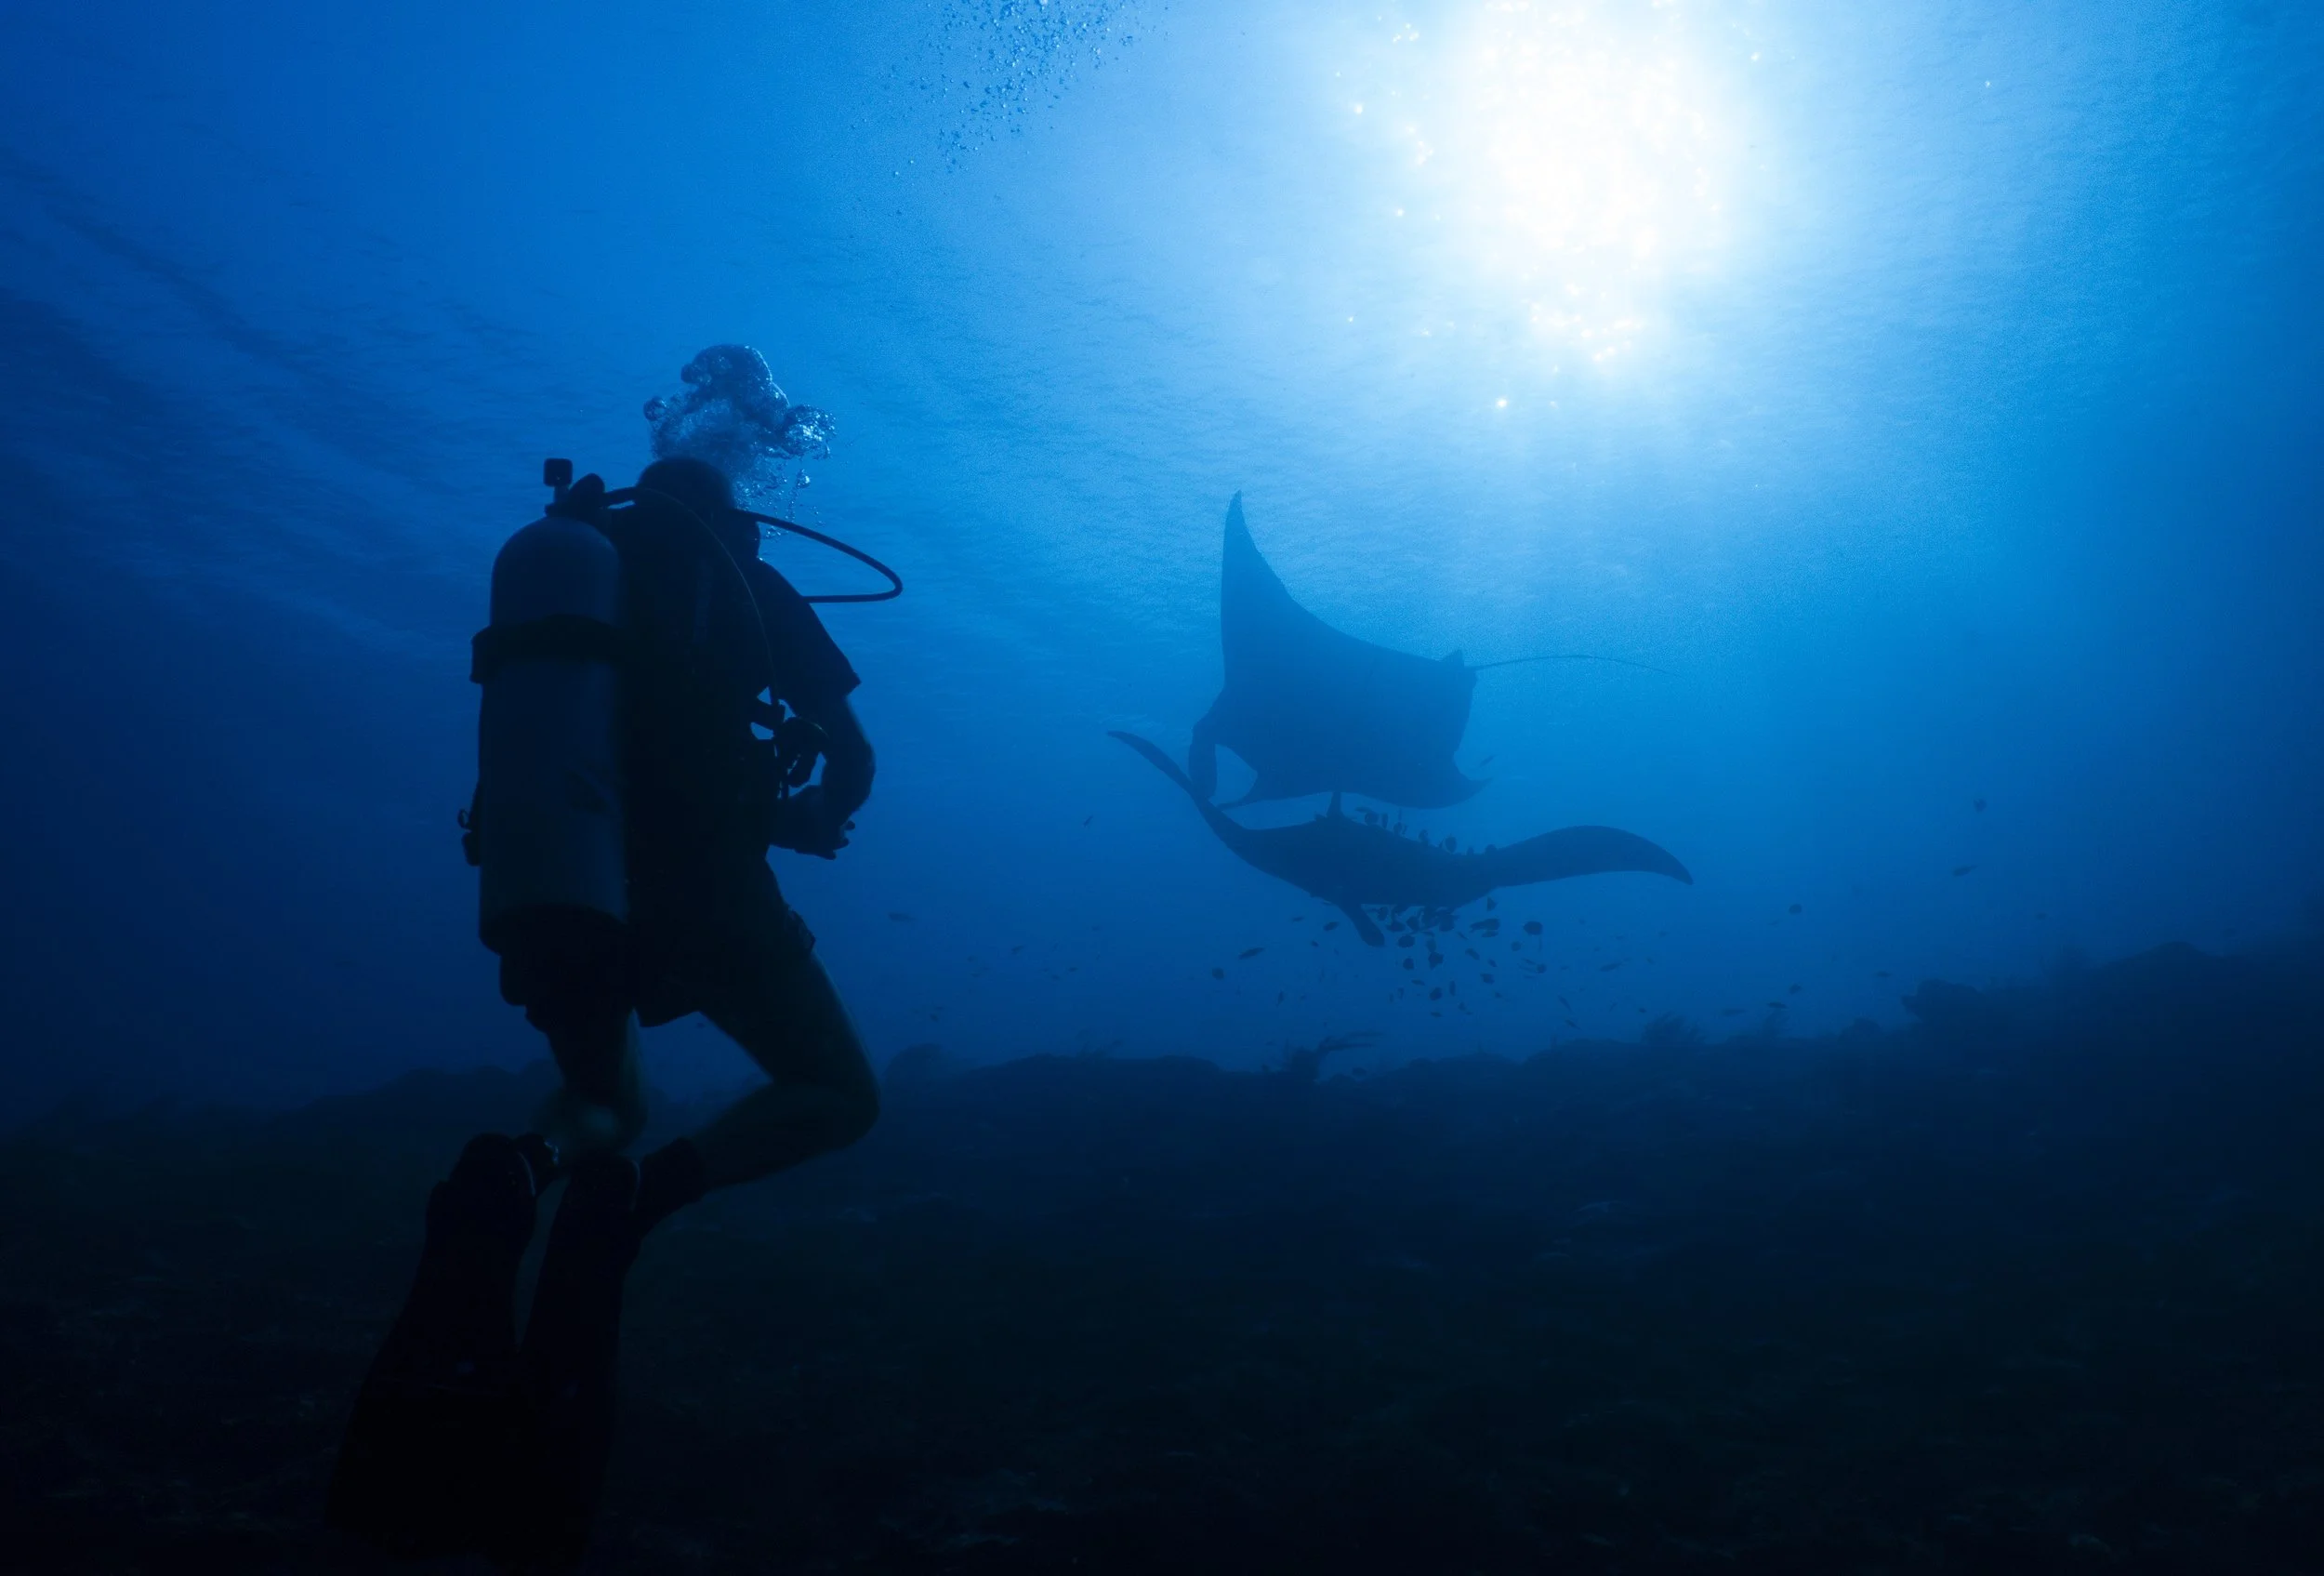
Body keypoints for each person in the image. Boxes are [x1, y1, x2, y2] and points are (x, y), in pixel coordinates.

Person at [508, 453, 881, 1232]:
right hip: (703, 890)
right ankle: (639, 1201)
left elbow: (621, 762)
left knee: (600, 1099)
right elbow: (852, 755)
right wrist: (815, 812)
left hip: (545, 864)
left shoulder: (577, 569)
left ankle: (517, 1169)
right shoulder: (747, 585)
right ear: (732, 519)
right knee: (839, 1093)